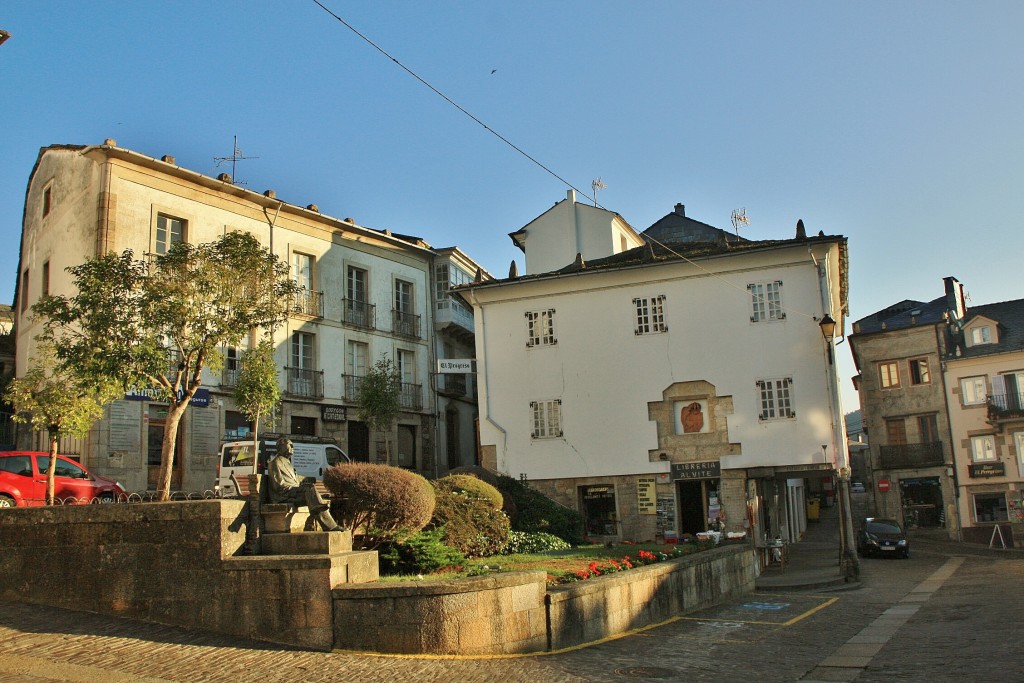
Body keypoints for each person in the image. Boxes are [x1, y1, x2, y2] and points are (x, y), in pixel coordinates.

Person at [267, 437, 344, 532]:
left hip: (293, 493)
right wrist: (297, 489)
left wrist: (307, 479)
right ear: (281, 446)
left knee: (314, 495)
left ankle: (321, 521)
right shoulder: (274, 463)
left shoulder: (287, 462)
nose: (292, 446)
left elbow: (295, 479)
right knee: (309, 490)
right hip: (283, 495)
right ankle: (329, 526)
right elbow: (278, 486)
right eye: (289, 444)